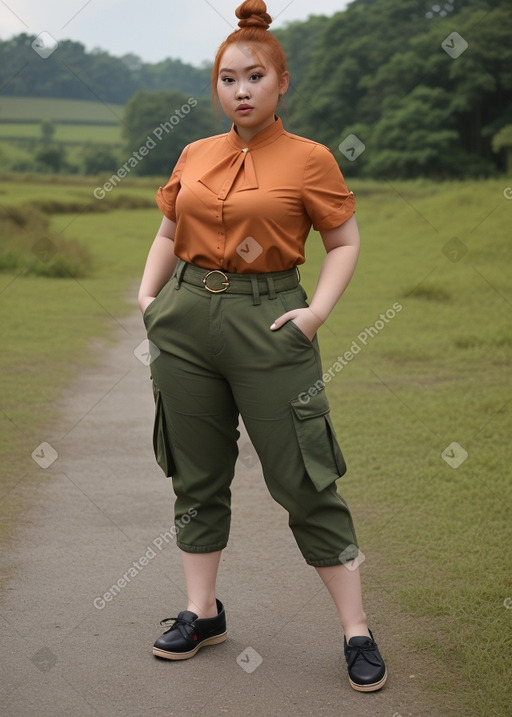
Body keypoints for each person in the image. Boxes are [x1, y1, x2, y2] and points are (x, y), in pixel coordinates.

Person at [138, 0, 387, 693]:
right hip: (186, 323)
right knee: (195, 470)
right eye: (227, 79)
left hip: (271, 320)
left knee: (305, 478)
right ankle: (201, 611)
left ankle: (356, 628)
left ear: (281, 83)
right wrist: (149, 297)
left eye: (253, 77)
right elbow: (166, 229)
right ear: (215, 86)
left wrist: (316, 313)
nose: (240, 91)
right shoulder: (195, 153)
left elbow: (343, 240)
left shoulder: (309, 159)